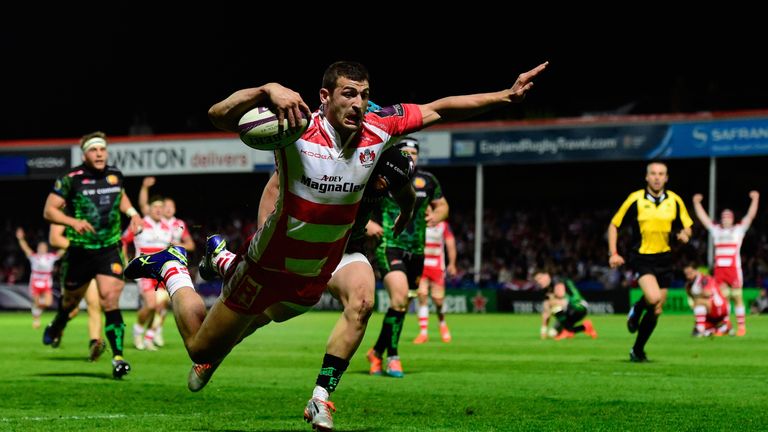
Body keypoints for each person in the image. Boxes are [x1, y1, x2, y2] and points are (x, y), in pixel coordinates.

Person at [124, 60, 547, 428]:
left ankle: (318, 393)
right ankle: (173, 265)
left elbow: (440, 106)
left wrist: (506, 96)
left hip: (318, 270)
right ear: (325, 96)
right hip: (269, 266)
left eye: (364, 95)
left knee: (338, 307)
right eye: (349, 94)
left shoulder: (380, 127)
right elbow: (219, 117)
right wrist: (264, 90)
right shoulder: (295, 126)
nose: (359, 103)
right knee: (201, 346)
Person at [191, 143, 416, 431]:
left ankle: (320, 398)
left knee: (363, 303)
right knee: (265, 313)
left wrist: (406, 212)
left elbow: (404, 192)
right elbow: (275, 185)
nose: (383, 183)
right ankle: (215, 345)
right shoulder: (335, 155)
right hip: (306, 245)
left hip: (346, 250)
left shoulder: (390, 165)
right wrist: (264, 249)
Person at [42, 131, 143, 378]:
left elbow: (121, 197)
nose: (99, 153)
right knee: (71, 303)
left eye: (102, 149)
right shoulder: (70, 179)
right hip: (79, 251)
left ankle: (118, 357)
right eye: (93, 150)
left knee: (110, 299)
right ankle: (60, 322)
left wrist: (132, 213)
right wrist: (71, 222)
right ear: (84, 154)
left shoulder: (115, 175)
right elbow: (49, 211)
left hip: (109, 248)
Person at [366, 136, 449, 377]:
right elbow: (356, 204)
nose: (411, 157)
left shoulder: (428, 181)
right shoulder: (381, 179)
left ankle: (376, 351)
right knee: (399, 298)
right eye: (406, 154)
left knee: (401, 307)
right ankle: (393, 357)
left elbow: (443, 206)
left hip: (417, 252)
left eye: (414, 154)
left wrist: (438, 216)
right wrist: (369, 224)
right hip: (389, 246)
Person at [608, 161, 693, 362]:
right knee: (653, 298)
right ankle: (637, 309)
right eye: (653, 174)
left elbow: (687, 226)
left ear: (666, 177)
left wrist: (685, 235)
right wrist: (613, 253)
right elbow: (614, 224)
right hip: (641, 257)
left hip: (665, 258)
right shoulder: (635, 199)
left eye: (661, 174)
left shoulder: (674, 200)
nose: (657, 177)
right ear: (647, 177)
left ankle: (637, 350)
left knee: (656, 310)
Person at [138, 176, 196, 347]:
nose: (168, 209)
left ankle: (153, 334)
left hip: (171, 268)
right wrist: (144, 188)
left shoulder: (178, 224)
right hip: (152, 269)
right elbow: (143, 207)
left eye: (171, 206)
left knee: (162, 304)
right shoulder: (158, 223)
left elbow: (190, 244)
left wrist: (177, 244)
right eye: (165, 206)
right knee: (154, 304)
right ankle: (146, 333)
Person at [691, 191, 759, 336]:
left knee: (737, 297)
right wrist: (697, 203)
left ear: (732, 219)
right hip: (719, 270)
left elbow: (750, 216)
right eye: (723, 217)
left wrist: (755, 199)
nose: (726, 219)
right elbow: (704, 219)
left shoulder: (738, 230)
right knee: (723, 299)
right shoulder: (716, 231)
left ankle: (741, 327)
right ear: (721, 219)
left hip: (733, 269)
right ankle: (725, 326)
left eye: (728, 217)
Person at [121, 194, 174, 351]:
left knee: (160, 306)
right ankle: (138, 332)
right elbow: (123, 240)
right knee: (151, 304)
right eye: (155, 207)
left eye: (160, 207)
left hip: (161, 272)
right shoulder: (140, 223)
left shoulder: (167, 227)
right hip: (144, 271)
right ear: (148, 209)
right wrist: (125, 261)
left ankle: (149, 337)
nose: (158, 210)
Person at [49, 223, 107, 361]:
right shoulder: (66, 208)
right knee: (71, 309)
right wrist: (82, 248)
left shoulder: (98, 211)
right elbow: (55, 238)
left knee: (94, 305)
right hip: (73, 264)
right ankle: (58, 326)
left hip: (92, 264)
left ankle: (94, 344)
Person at [413, 206, 457, 344]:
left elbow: (450, 244)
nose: (425, 211)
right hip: (421, 266)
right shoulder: (419, 224)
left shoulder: (443, 225)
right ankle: (423, 332)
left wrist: (452, 263)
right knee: (422, 296)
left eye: (427, 209)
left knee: (438, 301)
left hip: (437, 267)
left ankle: (442, 323)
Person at [15, 227, 63, 329]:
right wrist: (20, 239)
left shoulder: (51, 257)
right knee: (36, 302)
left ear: (46, 248)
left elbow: (61, 252)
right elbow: (25, 248)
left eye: (43, 247)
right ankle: (36, 320)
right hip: (35, 281)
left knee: (48, 302)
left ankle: (36, 309)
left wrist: (70, 242)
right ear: (38, 248)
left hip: (46, 282)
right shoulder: (34, 257)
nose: (41, 248)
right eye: (40, 247)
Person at [533, 269, 597, 340]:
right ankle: (585, 327)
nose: (539, 282)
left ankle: (568, 331)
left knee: (552, 304)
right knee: (552, 333)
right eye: (537, 281)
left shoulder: (557, 281)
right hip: (569, 310)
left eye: (540, 278)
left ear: (547, 275)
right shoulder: (546, 289)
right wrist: (543, 330)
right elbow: (546, 312)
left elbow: (561, 296)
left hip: (579, 306)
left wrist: (549, 305)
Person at [683, 263, 730, 336]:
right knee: (704, 326)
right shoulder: (690, 284)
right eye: (686, 274)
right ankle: (721, 327)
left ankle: (700, 330)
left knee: (698, 302)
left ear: (696, 271)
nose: (688, 276)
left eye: (690, 273)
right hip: (711, 309)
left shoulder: (704, 279)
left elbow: (708, 293)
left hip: (719, 307)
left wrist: (697, 293)